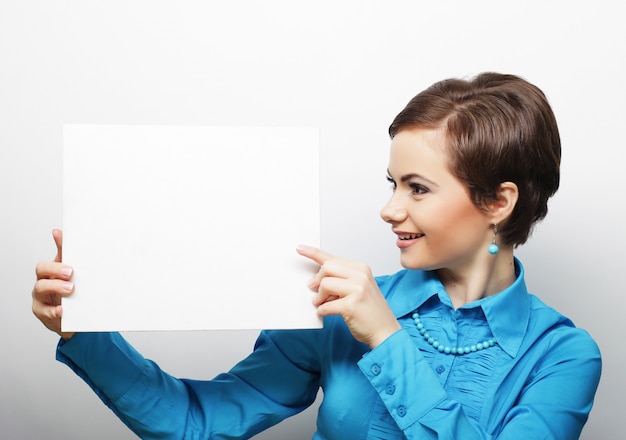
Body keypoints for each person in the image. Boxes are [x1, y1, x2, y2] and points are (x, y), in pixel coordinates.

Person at [32, 72, 602, 439]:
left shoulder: (563, 356)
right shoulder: (336, 311)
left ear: (498, 202)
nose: (388, 209)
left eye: (417, 188)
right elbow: (195, 422)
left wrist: (387, 339)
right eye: (391, 182)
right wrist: (84, 329)